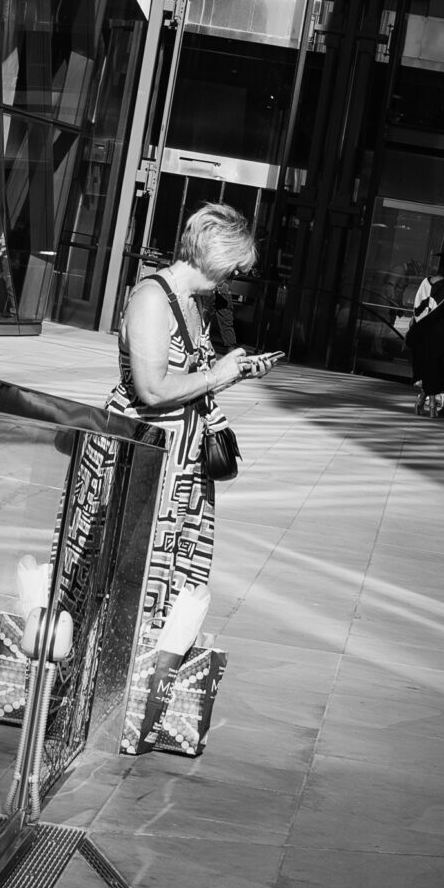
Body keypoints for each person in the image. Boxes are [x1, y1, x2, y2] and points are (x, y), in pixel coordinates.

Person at [57, 204, 267, 652]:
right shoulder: (153, 298)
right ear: (215, 252)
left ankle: (137, 672)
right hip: (140, 454)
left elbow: (187, 376)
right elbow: (152, 389)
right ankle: (86, 675)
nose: (234, 276)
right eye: (234, 265)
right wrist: (217, 377)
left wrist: (233, 370)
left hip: (179, 459)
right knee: (118, 568)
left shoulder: (196, 302)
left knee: (162, 573)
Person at [407, 253, 444, 417]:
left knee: (428, 369)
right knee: (436, 370)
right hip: (439, 336)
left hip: (421, 333)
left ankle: (422, 401)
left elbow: (417, 306)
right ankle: (431, 404)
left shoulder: (425, 282)